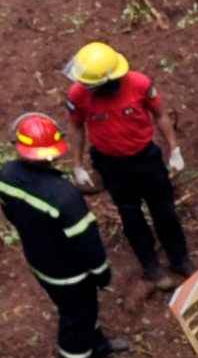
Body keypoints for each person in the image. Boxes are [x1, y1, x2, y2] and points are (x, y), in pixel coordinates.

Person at [0, 112, 115, 358]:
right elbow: (88, 243)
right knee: (76, 317)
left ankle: (97, 345)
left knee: (82, 308)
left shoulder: (4, 178)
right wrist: (102, 272)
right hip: (70, 272)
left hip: (40, 261)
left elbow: (11, 215)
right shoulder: (65, 196)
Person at [62, 41, 191, 297]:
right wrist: (77, 165)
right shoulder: (78, 95)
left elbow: (160, 115)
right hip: (111, 165)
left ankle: (179, 259)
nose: (84, 87)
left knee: (164, 210)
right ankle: (151, 266)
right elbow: (76, 127)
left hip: (146, 158)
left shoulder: (140, 84)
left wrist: (174, 149)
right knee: (131, 214)